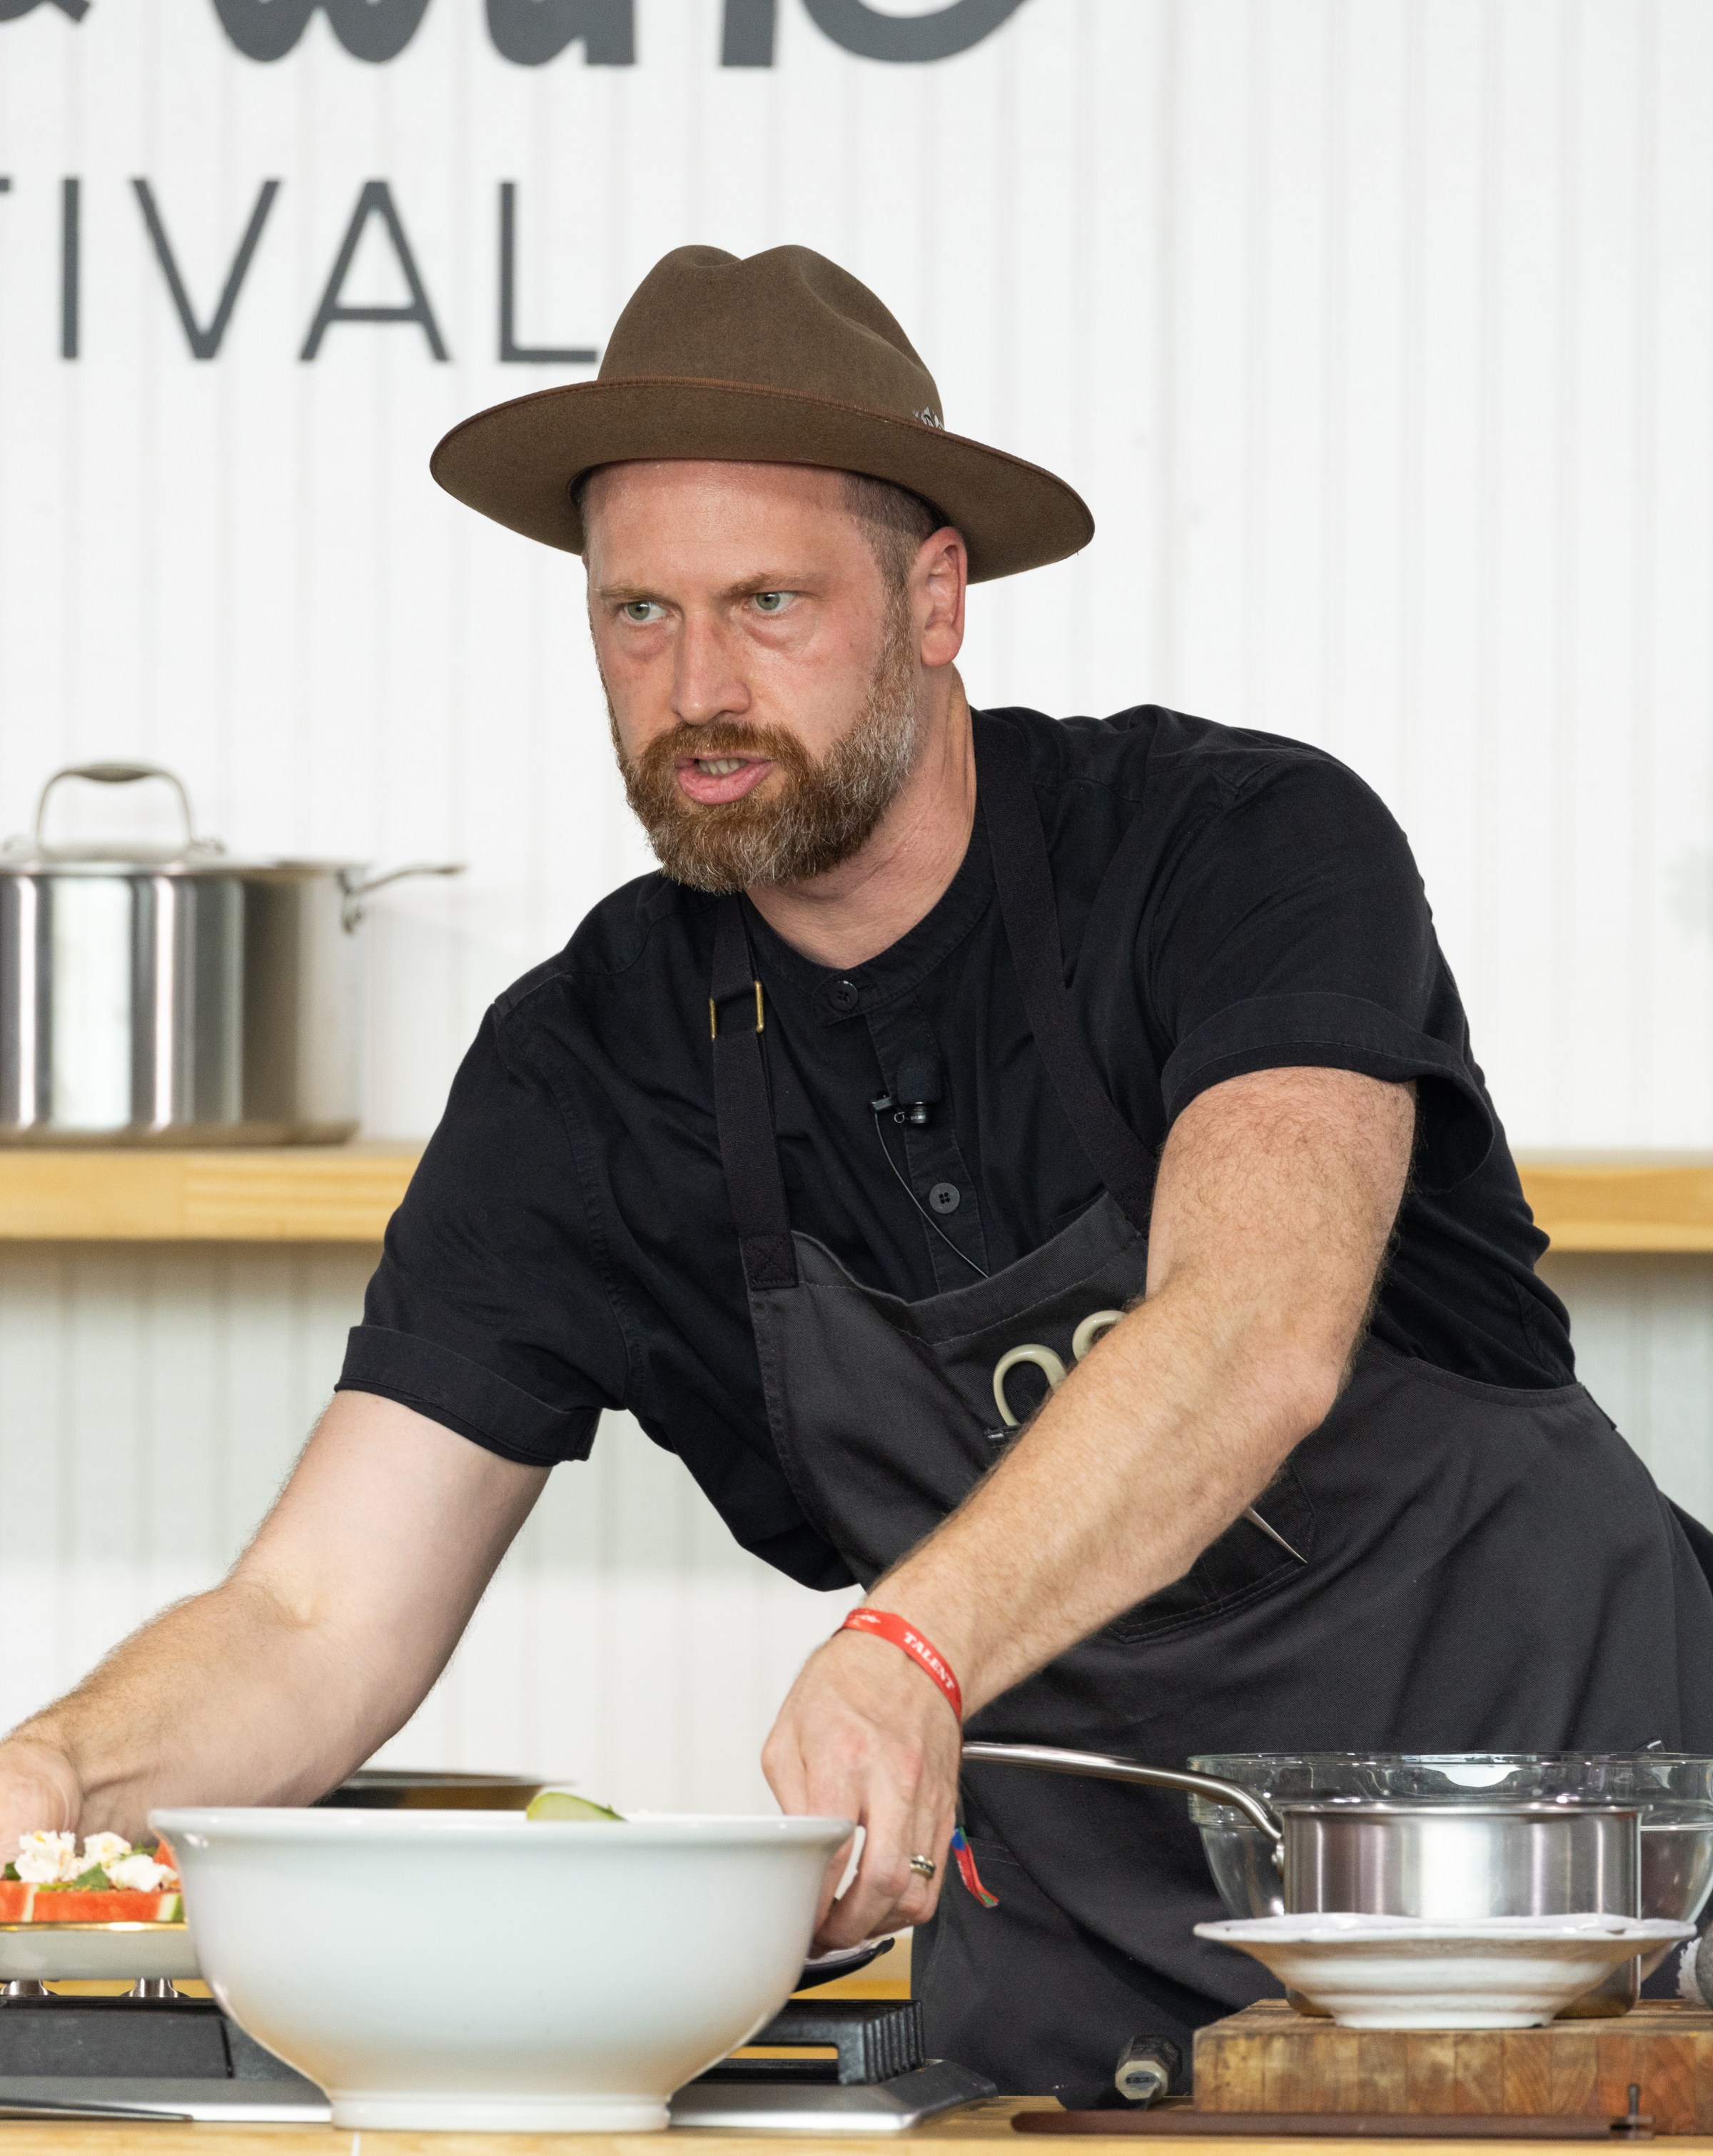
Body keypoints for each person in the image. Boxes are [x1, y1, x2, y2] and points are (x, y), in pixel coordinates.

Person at [4, 244, 1711, 2105]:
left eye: (768, 602)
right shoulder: (587, 1066)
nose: (699, 687)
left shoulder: (1245, 850)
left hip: (1571, 1889)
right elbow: (316, 1614)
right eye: (637, 614)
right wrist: (63, 1783)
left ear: (936, 595)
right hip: (1080, 1985)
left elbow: (1254, 1329)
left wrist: (912, 1637)